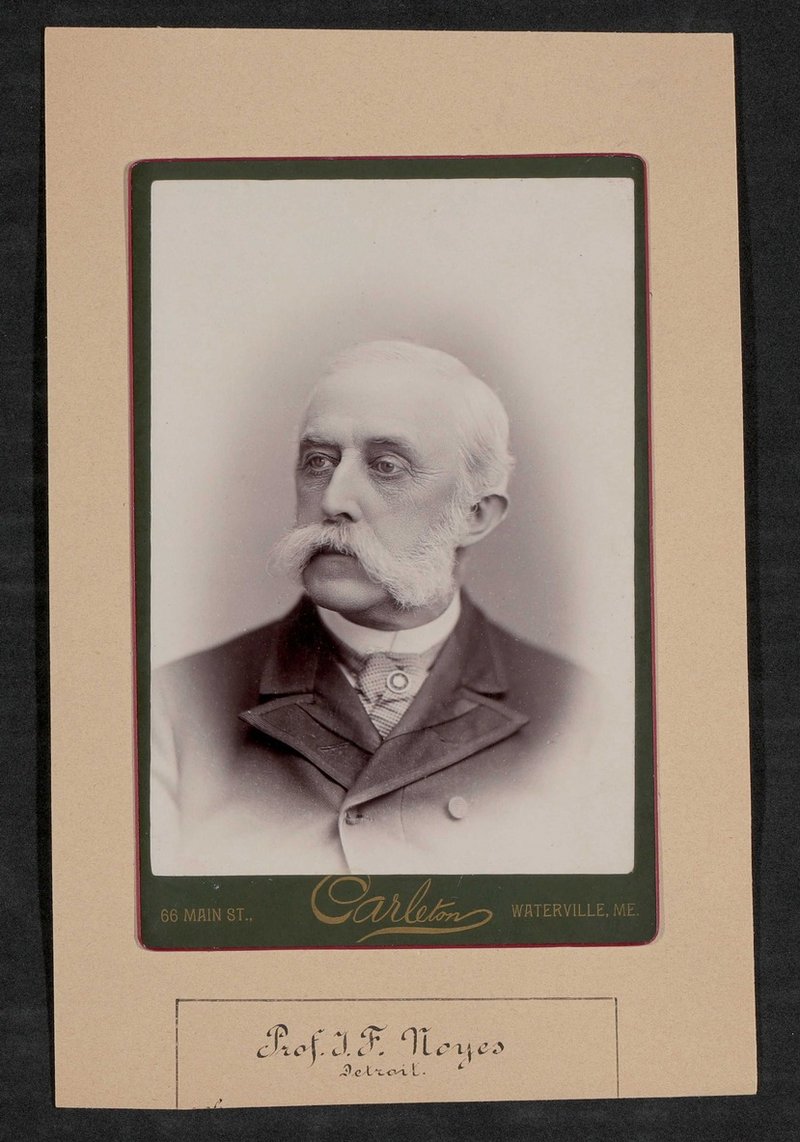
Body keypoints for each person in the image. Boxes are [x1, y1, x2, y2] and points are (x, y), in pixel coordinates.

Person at [150, 340, 629, 876]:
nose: (333, 500)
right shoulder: (176, 706)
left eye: (386, 466)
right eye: (318, 461)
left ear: (475, 514)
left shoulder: (581, 716)